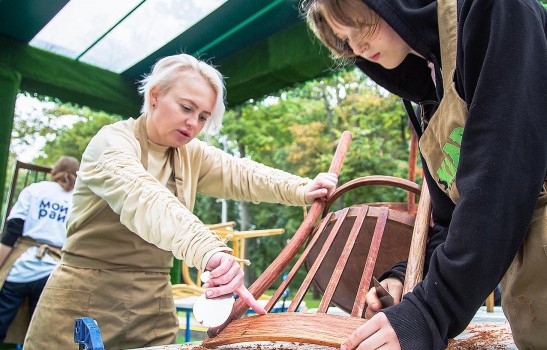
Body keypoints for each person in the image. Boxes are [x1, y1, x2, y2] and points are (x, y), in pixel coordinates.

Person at [301, 0, 547, 349]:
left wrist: (429, 311)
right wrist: (406, 282)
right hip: (535, 275)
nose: (357, 47)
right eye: (345, 39)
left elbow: (500, 179)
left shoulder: (494, 11)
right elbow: (455, 220)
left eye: (360, 25)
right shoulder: (433, 90)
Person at [23, 54, 338, 349]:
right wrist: (210, 251)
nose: (194, 124)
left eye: (203, 116)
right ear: (156, 95)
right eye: (187, 108)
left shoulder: (192, 153)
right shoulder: (110, 142)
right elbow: (144, 197)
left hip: (154, 306)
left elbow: (243, 174)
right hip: (82, 299)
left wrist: (302, 188)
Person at [0, 156, 79, 344]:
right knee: (40, 332)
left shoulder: (34, 190)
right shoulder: (79, 199)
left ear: (53, 172)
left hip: (21, 267)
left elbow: (12, 231)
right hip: (54, 272)